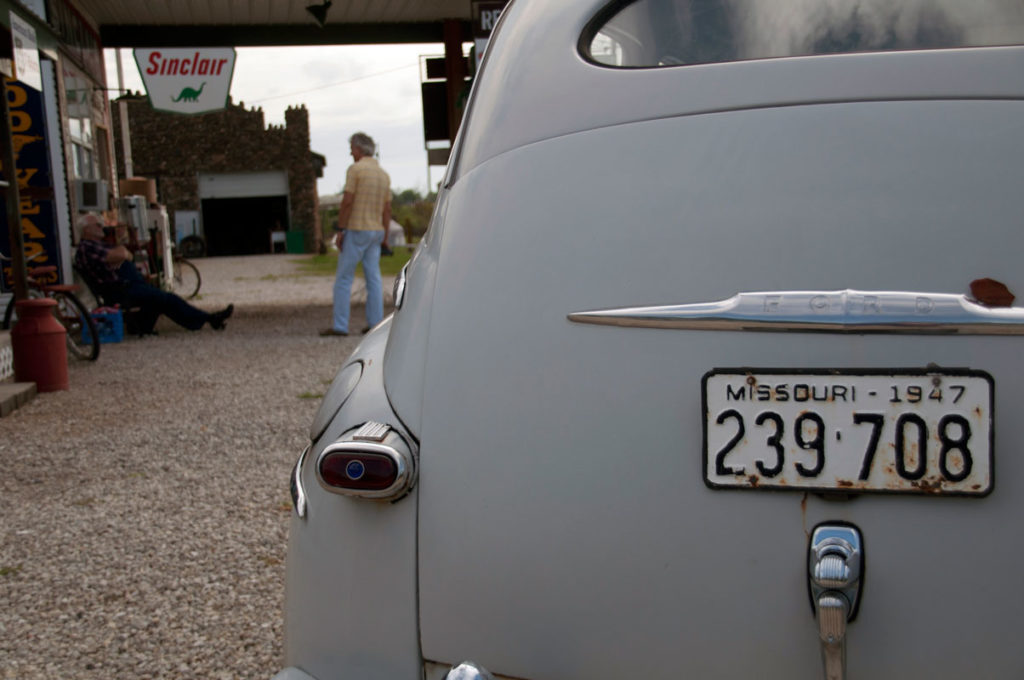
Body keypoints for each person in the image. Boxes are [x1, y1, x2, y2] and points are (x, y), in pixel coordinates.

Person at [74, 214, 234, 332]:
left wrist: (122, 254)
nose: (102, 228)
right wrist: (121, 254)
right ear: (86, 230)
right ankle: (209, 318)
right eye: (98, 225)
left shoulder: (97, 245)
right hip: (120, 290)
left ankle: (203, 320)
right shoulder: (88, 247)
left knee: (162, 298)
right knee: (164, 298)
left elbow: (126, 254)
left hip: (127, 285)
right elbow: (123, 254)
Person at [321, 132, 391, 337]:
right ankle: (375, 323)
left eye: (352, 148)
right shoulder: (383, 175)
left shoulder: (355, 170)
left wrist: (341, 229)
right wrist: (385, 235)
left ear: (359, 149)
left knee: (344, 278)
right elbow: (387, 209)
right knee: (373, 278)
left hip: (357, 228)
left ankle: (340, 325)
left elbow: (347, 201)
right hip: (376, 230)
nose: (351, 152)